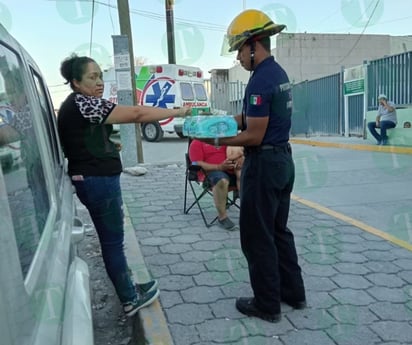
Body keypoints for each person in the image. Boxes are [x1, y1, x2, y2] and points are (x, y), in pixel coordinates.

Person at [57, 54, 191, 317]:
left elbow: (86, 138)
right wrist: (176, 112)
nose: (99, 83)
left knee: (111, 240)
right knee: (112, 242)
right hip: (97, 182)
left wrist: (110, 146)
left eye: (100, 76)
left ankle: (128, 287)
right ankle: (130, 299)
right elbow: (137, 113)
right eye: (91, 77)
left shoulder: (81, 104)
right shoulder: (84, 103)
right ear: (75, 82)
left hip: (92, 179)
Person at [195, 9, 306, 322]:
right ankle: (294, 294)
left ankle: (267, 303)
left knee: (257, 235)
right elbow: (253, 118)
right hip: (283, 160)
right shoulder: (278, 74)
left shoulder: (259, 81)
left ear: (255, 45)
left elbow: (254, 135)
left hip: (265, 164)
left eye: (240, 50)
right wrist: (221, 122)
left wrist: (217, 142)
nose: (238, 58)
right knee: (278, 231)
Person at [189, 139, 241, 230]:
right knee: (221, 180)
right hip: (209, 173)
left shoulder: (228, 139)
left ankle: (251, 213)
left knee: (251, 176)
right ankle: (222, 218)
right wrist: (219, 167)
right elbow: (197, 163)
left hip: (233, 171)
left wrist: (240, 160)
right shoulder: (197, 142)